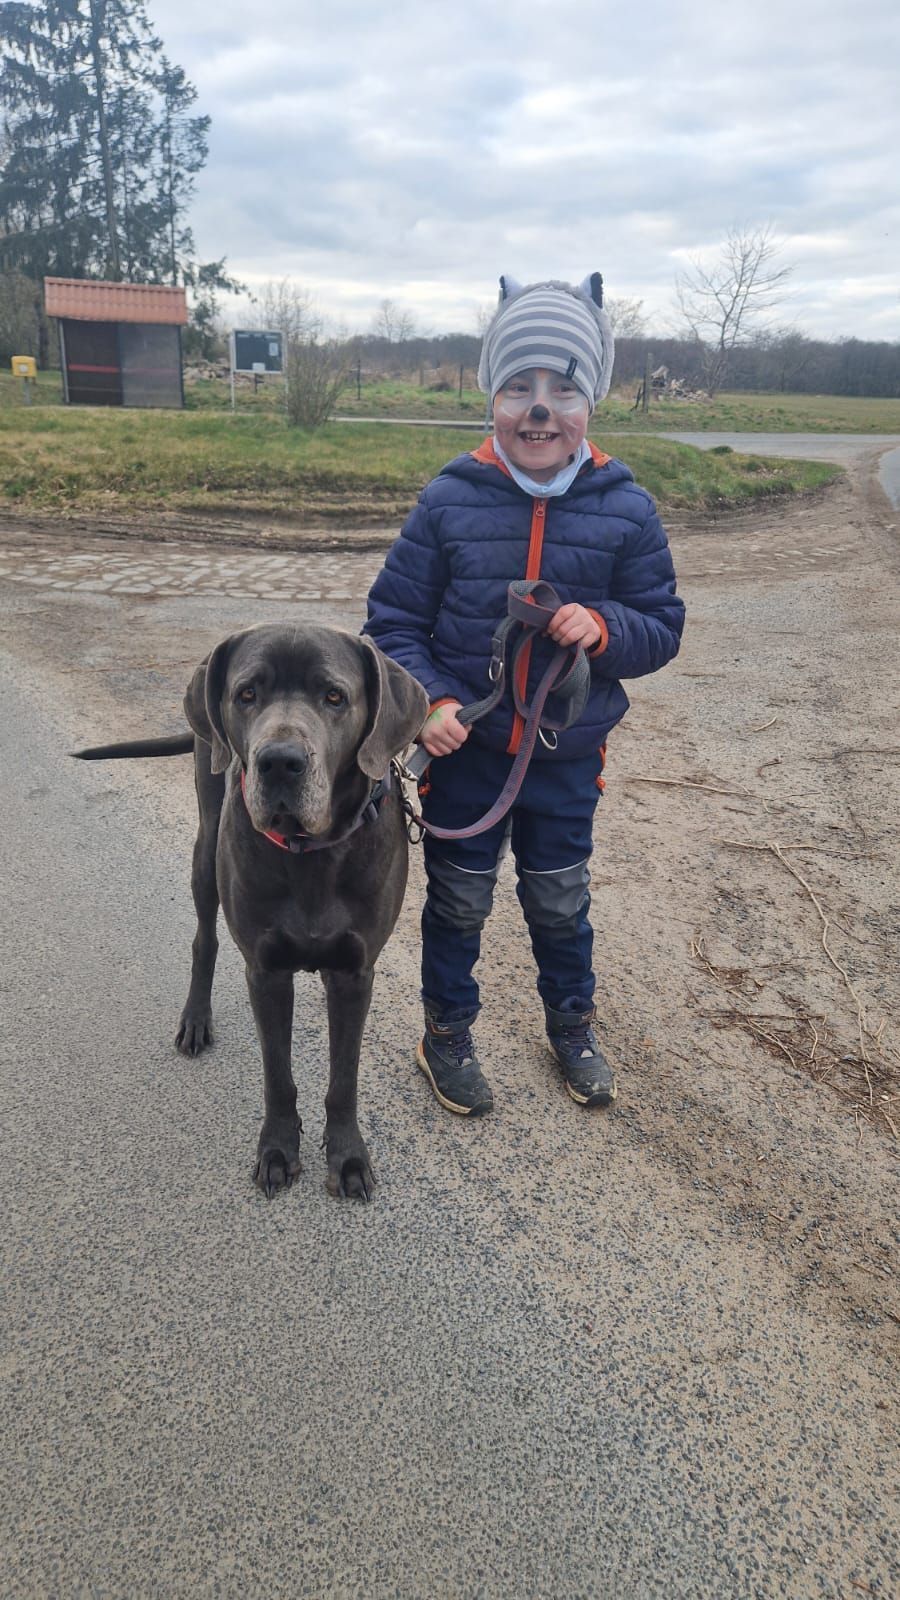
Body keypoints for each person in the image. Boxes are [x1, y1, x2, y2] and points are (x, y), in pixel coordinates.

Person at [364, 273, 685, 1117]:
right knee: (460, 901)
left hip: (565, 759)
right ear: (491, 398)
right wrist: (429, 703)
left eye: (563, 387)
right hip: (465, 758)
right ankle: (446, 1037)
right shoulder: (448, 498)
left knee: (558, 898)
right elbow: (391, 623)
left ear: (592, 401)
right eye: (519, 386)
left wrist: (606, 627)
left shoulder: (626, 507)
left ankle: (572, 1028)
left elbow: (663, 624)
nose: (539, 409)